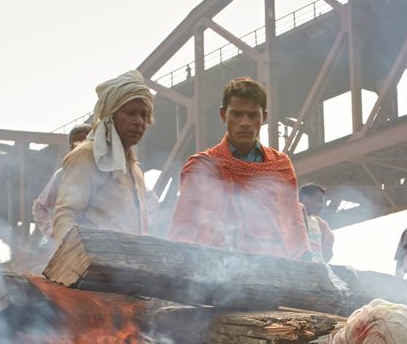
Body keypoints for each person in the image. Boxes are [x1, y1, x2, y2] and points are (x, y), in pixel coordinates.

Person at [167, 77, 309, 259]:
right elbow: (184, 231)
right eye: (236, 114)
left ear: (263, 117)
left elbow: (294, 230)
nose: (244, 122)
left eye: (252, 115)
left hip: (275, 272)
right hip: (216, 273)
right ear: (223, 114)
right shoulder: (203, 167)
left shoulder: (280, 165)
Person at [52, 73, 157, 245]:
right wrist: (77, 262)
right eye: (131, 113)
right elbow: (66, 217)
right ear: (111, 116)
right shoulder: (87, 155)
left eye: (144, 115)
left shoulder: (134, 169)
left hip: (129, 268)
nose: (139, 121)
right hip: (94, 267)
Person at [32, 123, 92, 241]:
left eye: (84, 145)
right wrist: (51, 230)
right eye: (75, 146)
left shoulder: (109, 173)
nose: (79, 150)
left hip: (103, 244)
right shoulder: (62, 175)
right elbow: (39, 207)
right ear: (70, 149)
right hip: (72, 245)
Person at [299, 183, 334, 263]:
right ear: (306, 199)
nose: (322, 206)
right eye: (319, 201)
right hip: (297, 268)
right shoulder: (291, 218)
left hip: (318, 269)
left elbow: (328, 251)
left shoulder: (321, 224)